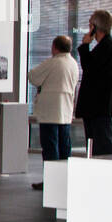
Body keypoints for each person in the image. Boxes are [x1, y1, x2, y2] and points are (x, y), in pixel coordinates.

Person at [27, 34, 80, 190]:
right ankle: (64, 180)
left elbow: (33, 77)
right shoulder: (73, 63)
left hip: (50, 112)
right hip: (66, 112)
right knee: (64, 148)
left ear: (54, 47)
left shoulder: (53, 62)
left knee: (50, 148)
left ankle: (51, 181)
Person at [76, 9, 112, 156]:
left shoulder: (108, 46)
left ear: (95, 27)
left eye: (90, 25)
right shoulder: (107, 46)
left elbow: (90, 68)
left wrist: (84, 46)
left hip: (99, 106)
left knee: (102, 143)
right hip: (97, 106)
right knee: (95, 143)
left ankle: (110, 172)